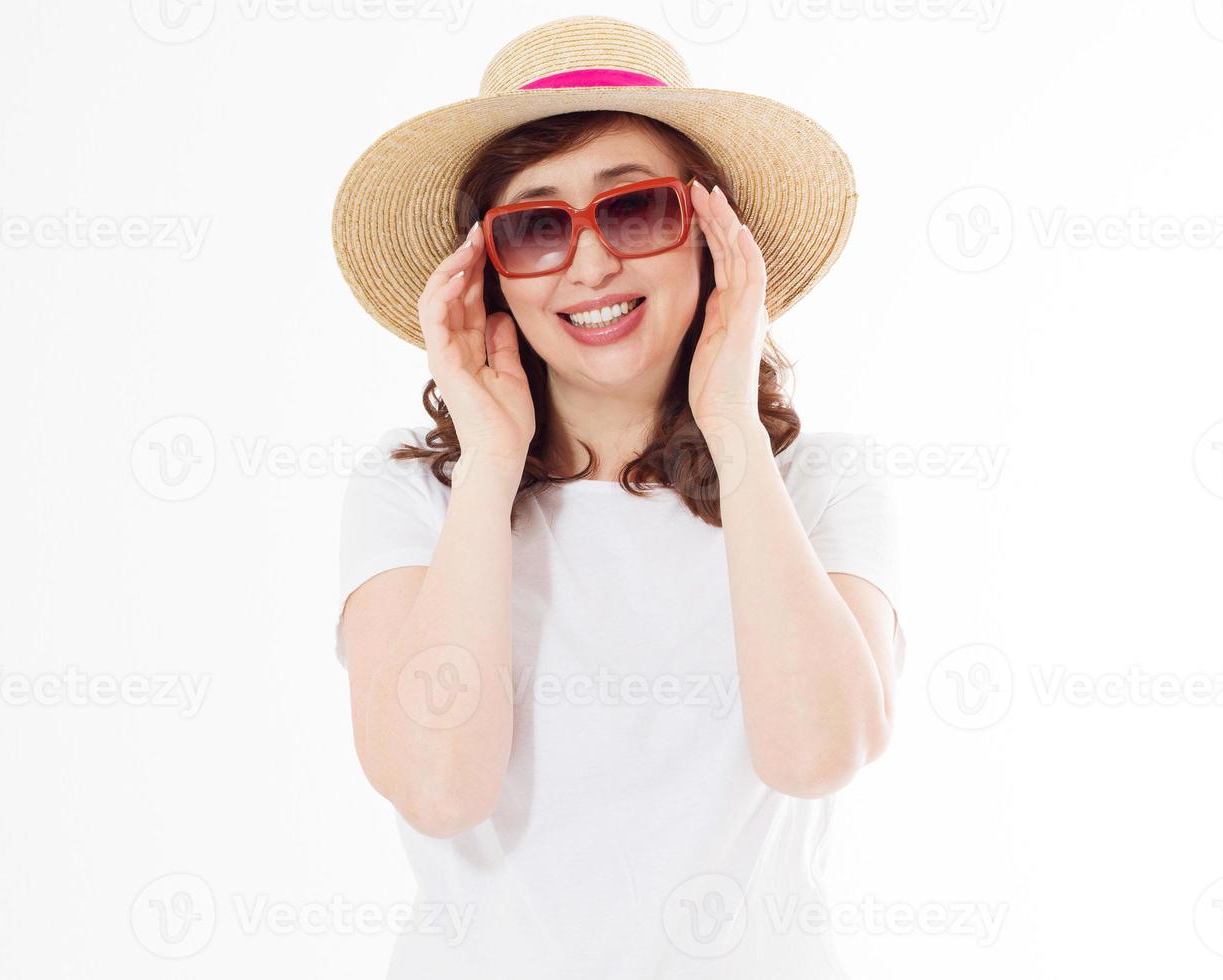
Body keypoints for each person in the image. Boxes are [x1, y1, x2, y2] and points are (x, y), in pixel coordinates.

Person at [330, 15, 905, 979]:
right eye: (536, 226)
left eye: (635, 210)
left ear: (713, 238)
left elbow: (817, 755)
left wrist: (731, 421)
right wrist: (490, 462)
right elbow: (439, 790)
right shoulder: (413, 491)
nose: (591, 264)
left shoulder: (820, 480)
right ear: (490, 277)